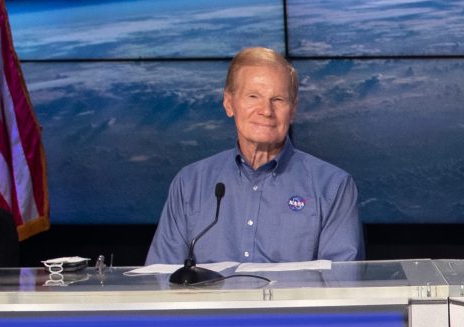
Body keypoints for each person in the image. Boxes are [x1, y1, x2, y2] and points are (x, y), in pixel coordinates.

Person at [147, 48, 362, 266]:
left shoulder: (333, 187)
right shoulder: (190, 183)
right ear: (229, 103)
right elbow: (160, 280)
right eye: (253, 96)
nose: (266, 110)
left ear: (293, 109)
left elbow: (341, 286)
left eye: (277, 99)